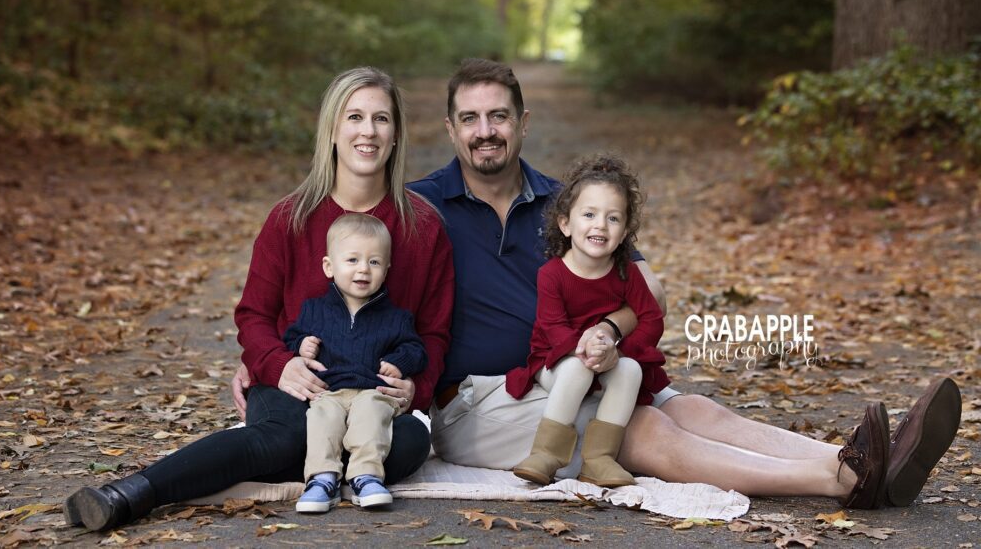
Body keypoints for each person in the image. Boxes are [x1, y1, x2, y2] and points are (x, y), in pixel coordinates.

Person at [407, 57, 961, 510]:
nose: (486, 132)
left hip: (582, 369)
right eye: (470, 119)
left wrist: (607, 329)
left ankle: (861, 456)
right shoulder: (421, 207)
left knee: (695, 410)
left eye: (499, 116)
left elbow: (650, 290)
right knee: (643, 426)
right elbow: (364, 259)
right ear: (451, 128)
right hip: (484, 402)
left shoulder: (569, 202)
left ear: (523, 122)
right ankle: (841, 480)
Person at [63, 67, 454, 531]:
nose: (367, 131)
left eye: (381, 119)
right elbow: (254, 314)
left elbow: (434, 331)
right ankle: (127, 495)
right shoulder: (290, 217)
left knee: (408, 442)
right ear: (332, 130)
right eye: (354, 117)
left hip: (374, 396)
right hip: (299, 385)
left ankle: (317, 467)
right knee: (287, 436)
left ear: (396, 135)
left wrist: (416, 388)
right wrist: (275, 364)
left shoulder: (422, 226)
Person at [510, 154, 664, 488]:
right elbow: (552, 328)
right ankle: (547, 453)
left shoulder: (626, 273)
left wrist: (617, 351)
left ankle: (599, 459)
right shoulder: (552, 274)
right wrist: (584, 350)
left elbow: (651, 319)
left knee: (631, 370)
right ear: (565, 224)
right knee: (577, 369)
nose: (600, 225)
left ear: (624, 232)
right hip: (556, 359)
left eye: (613, 218)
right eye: (589, 214)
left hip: (605, 355)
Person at [285, 213, 427, 512]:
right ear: (329, 266)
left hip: (372, 389)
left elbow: (415, 348)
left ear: (386, 270)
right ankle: (322, 479)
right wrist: (301, 345)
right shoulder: (314, 310)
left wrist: (399, 362)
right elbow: (290, 337)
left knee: (371, 417)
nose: (363, 269)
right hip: (330, 391)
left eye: (374, 262)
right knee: (321, 420)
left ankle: (366, 477)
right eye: (352, 260)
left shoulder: (396, 318)